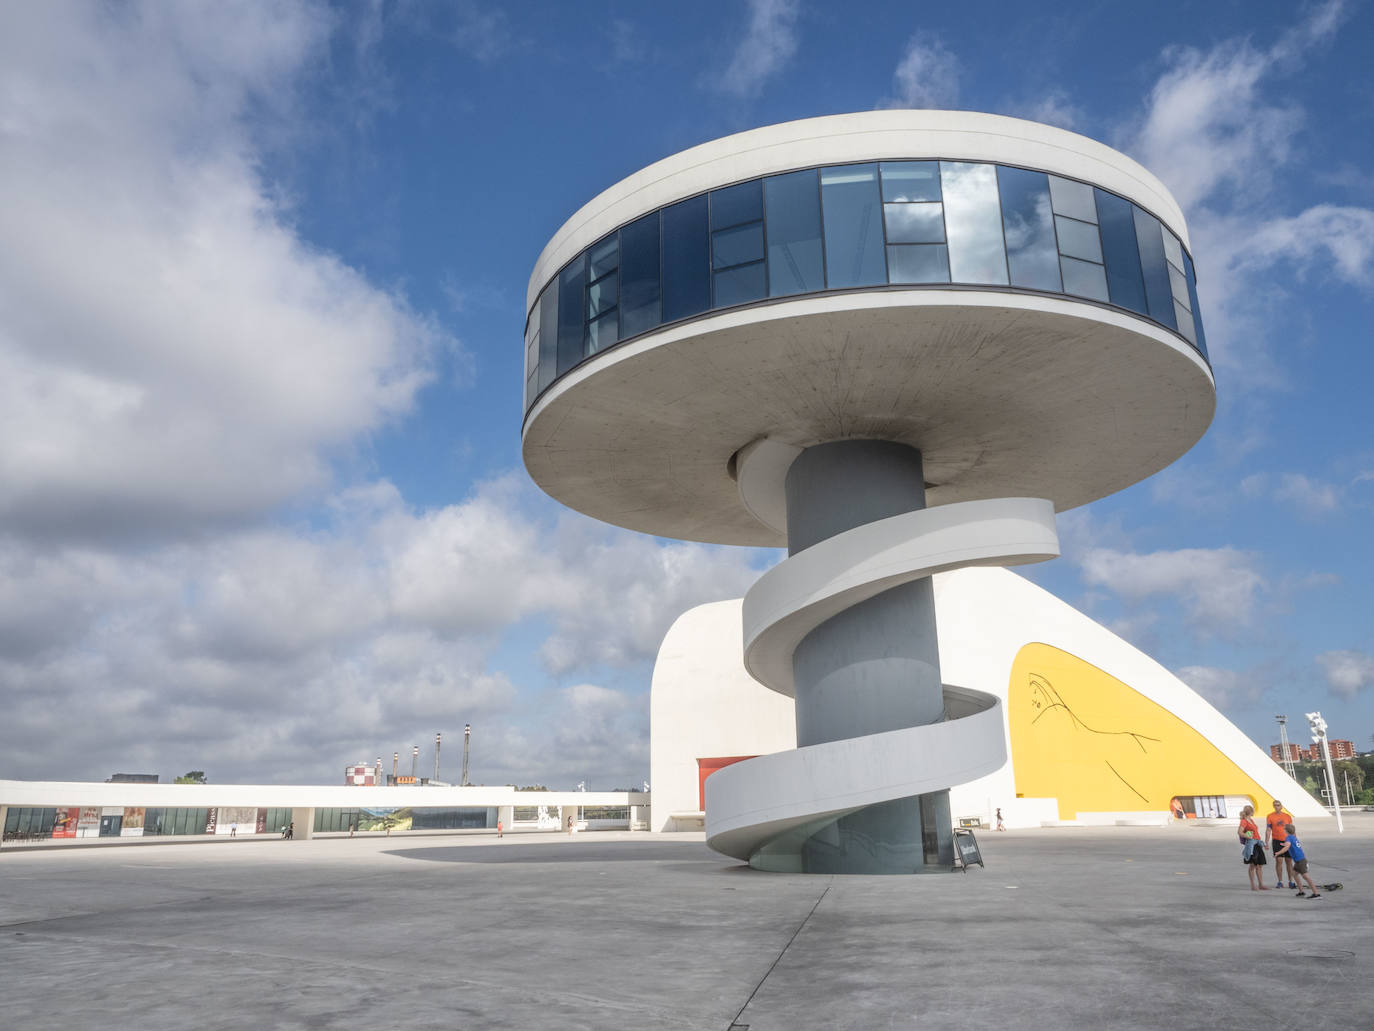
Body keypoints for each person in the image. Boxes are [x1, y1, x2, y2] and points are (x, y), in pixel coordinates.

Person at [1272, 824, 1320, 898]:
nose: (1283, 830)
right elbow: (1289, 845)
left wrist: (1278, 853)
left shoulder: (1288, 837)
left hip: (1300, 861)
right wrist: (1284, 844)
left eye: (1284, 829)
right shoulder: (1293, 837)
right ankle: (1301, 892)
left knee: (1306, 877)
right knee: (1294, 874)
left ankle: (1316, 894)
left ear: (1286, 831)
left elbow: (1287, 847)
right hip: (1299, 860)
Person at [1265, 800, 1296, 889]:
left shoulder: (1287, 816)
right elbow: (1268, 830)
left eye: (1278, 805)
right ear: (1273, 806)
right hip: (1277, 841)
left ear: (1281, 806)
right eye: (1275, 805)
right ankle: (1280, 881)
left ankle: (1291, 881)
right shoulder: (1270, 816)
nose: (1277, 807)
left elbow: (1292, 830)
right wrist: (1266, 842)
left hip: (1288, 841)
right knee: (1279, 861)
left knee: (1289, 862)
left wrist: (1294, 841)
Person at [1238, 805, 1269, 891]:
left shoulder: (1251, 820)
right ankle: (1253, 885)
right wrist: (1248, 836)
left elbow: (1254, 832)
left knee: (1259, 865)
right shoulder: (1244, 821)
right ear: (1251, 812)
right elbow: (1240, 832)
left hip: (1257, 844)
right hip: (1251, 845)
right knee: (1252, 865)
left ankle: (1260, 884)